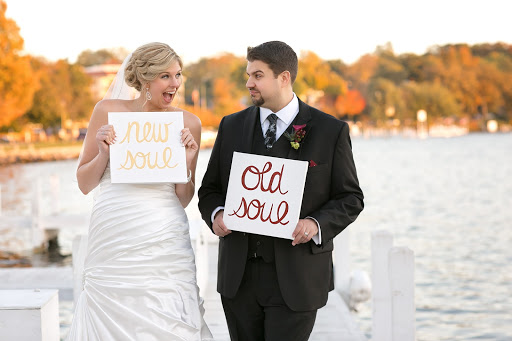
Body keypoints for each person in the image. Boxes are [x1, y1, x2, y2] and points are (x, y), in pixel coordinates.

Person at [198, 41, 364, 341]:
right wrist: (218, 214)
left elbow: (350, 198)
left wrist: (315, 224)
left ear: (284, 78)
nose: (249, 83)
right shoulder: (231, 126)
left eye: (258, 75)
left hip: (298, 278)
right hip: (239, 278)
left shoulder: (330, 131)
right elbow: (209, 190)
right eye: (248, 75)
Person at [67, 42, 213, 341]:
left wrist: (186, 162)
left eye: (178, 75)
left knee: (170, 313)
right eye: (166, 76)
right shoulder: (107, 111)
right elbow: (84, 184)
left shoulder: (188, 123)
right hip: (115, 232)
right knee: (110, 310)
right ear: (146, 79)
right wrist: (104, 153)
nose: (175, 84)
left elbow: (184, 198)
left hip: (165, 236)